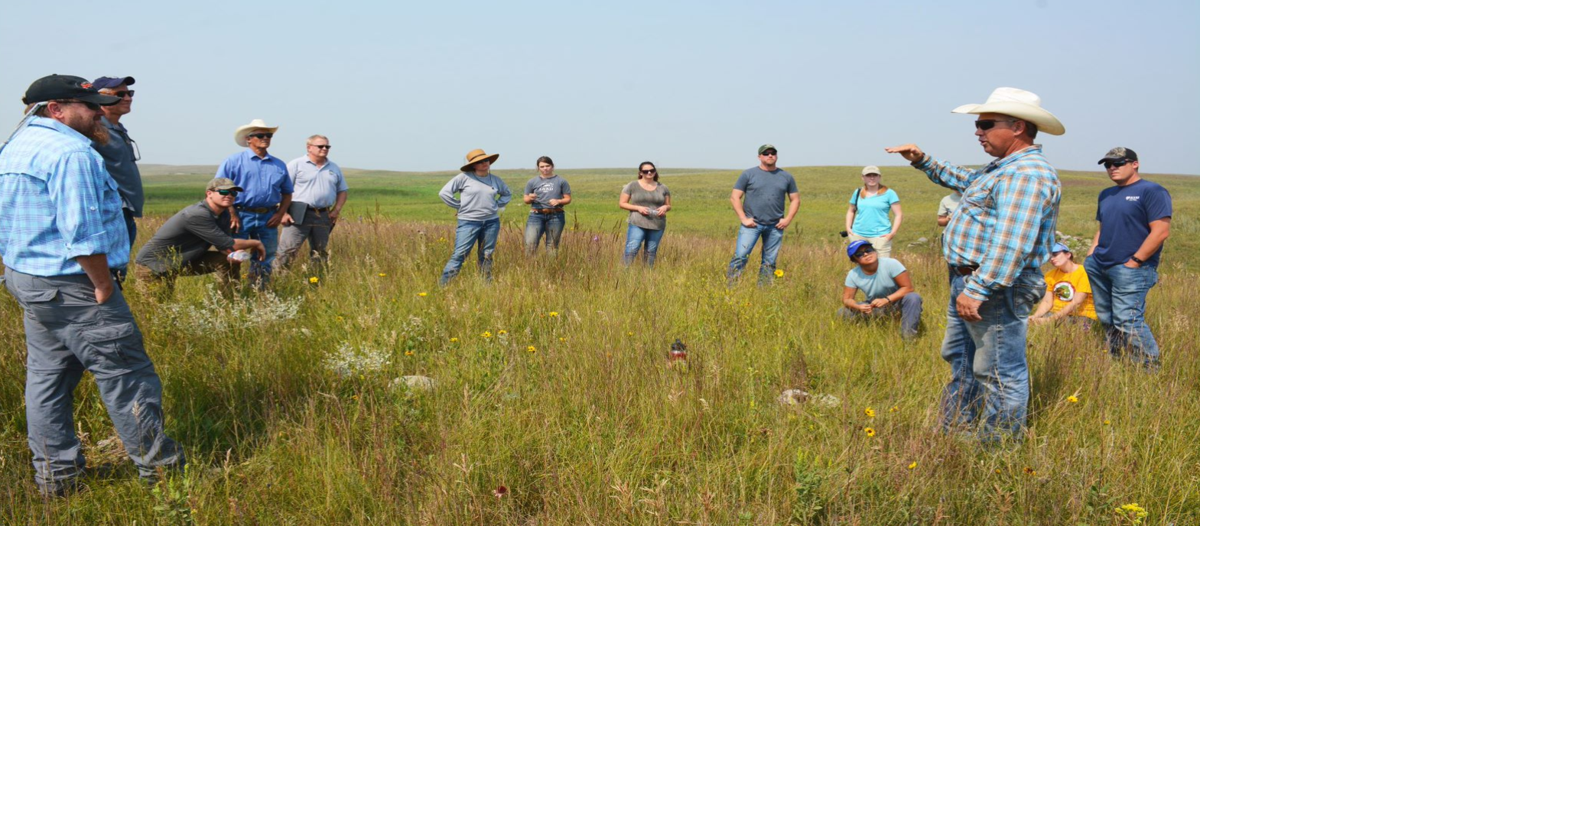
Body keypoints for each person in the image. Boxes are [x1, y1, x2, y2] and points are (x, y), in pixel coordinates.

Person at [0, 75, 184, 497]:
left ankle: (57, 480)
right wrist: (102, 285)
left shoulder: (15, 146)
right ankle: (163, 473)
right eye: (87, 104)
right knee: (127, 375)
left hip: (31, 279)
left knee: (47, 380)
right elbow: (81, 231)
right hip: (75, 284)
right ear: (55, 109)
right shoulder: (70, 152)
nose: (99, 111)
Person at [886, 87, 1064, 441]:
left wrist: (979, 288)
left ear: (1017, 127)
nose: (977, 131)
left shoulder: (1026, 174)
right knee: (962, 358)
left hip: (993, 285)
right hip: (973, 281)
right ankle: (956, 433)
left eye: (985, 123)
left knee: (998, 370)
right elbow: (968, 182)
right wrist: (923, 160)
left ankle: (997, 453)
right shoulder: (1004, 169)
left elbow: (1013, 241)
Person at [1086, 147, 1171, 368]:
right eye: (1108, 165)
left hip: (1131, 269)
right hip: (1099, 264)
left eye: (1118, 163)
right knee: (1106, 316)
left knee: (1128, 319)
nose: (1112, 168)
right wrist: (1091, 254)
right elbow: (1103, 227)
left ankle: (1148, 368)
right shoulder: (1106, 194)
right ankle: (1117, 360)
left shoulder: (1151, 191)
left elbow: (1160, 231)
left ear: (1135, 164)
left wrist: (1135, 261)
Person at [134, 178, 267, 296]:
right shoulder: (197, 214)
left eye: (233, 193)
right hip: (154, 265)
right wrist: (255, 243)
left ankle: (231, 301)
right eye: (224, 192)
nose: (229, 196)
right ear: (209, 193)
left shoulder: (224, 214)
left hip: (183, 260)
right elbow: (230, 244)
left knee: (228, 261)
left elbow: (225, 247)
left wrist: (234, 255)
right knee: (159, 307)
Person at [216, 119, 292, 289]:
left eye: (268, 135)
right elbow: (221, 188)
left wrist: (280, 214)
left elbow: (287, 192)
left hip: (268, 216)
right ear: (248, 139)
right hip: (240, 215)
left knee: (265, 255)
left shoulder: (279, 164)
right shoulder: (233, 161)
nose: (265, 138)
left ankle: (258, 291)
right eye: (260, 135)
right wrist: (231, 213)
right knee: (234, 255)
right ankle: (231, 292)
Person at [90, 75, 140, 285]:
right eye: (120, 94)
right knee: (111, 274)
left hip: (124, 211)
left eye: (130, 93)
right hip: (111, 211)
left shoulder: (115, 128)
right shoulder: (94, 128)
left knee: (119, 272)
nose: (128, 98)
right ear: (100, 98)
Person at [727, 144, 799, 286]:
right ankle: (731, 288)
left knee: (769, 261)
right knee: (741, 256)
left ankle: (763, 291)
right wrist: (743, 218)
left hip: (775, 226)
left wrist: (788, 219)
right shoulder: (748, 174)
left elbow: (795, 199)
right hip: (751, 225)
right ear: (759, 156)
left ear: (777, 156)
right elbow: (735, 197)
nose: (770, 155)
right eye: (766, 153)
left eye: (773, 153)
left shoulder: (786, 177)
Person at [277, 134, 348, 276]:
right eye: (320, 146)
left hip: (323, 214)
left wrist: (336, 210)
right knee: (288, 250)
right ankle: (278, 281)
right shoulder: (296, 164)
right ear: (309, 147)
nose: (324, 149)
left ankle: (316, 281)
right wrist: (283, 213)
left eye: (327, 146)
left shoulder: (333, 167)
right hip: (298, 213)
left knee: (320, 251)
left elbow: (342, 190)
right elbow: (281, 189)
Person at [438, 149, 512, 285]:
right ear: (473, 165)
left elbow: (507, 194)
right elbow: (444, 193)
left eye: (486, 160)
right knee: (460, 254)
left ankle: (486, 285)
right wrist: (459, 206)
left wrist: (496, 205)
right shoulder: (463, 177)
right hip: (469, 222)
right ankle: (444, 286)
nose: (484, 163)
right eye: (479, 162)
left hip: (491, 222)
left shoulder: (495, 180)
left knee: (487, 255)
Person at [838, 240, 923, 340]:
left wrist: (886, 300)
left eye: (869, 250)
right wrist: (858, 307)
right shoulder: (853, 274)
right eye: (859, 254)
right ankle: (859, 335)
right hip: (874, 305)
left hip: (897, 303)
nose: (866, 254)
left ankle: (908, 337)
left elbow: (908, 288)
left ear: (874, 251)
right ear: (855, 260)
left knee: (913, 297)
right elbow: (847, 299)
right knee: (842, 312)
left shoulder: (891, 264)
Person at [1028, 242, 1096, 330]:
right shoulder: (1050, 275)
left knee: (1054, 327)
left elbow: (1076, 302)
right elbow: (1047, 302)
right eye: (1049, 256)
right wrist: (1035, 317)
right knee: (1029, 324)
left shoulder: (1084, 272)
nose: (1052, 259)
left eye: (1055, 254)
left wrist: (1050, 320)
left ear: (1068, 255)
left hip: (1081, 315)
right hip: (1055, 313)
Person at [619, 161, 671, 266]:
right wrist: (638, 208)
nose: (649, 173)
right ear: (641, 173)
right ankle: (623, 273)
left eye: (652, 170)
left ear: (655, 172)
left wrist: (665, 207)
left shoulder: (663, 187)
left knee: (651, 252)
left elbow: (669, 205)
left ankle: (647, 276)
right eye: (646, 171)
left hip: (657, 224)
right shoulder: (632, 185)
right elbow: (622, 203)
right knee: (632, 248)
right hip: (637, 222)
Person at [845, 165, 901, 257]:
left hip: (880, 236)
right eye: (868, 175)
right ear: (863, 178)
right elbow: (851, 210)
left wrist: (892, 233)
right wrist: (848, 228)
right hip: (858, 235)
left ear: (879, 177)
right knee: (862, 266)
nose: (872, 178)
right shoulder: (858, 192)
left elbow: (898, 215)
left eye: (875, 175)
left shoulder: (889, 193)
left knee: (882, 265)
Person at [522, 156, 571, 256]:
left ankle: (551, 268)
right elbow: (526, 199)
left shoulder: (561, 181)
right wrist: (531, 197)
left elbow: (568, 199)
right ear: (538, 168)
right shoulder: (532, 182)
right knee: (530, 244)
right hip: (536, 215)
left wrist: (559, 201)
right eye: (542, 166)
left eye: (547, 166)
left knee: (552, 245)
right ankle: (530, 268)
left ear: (552, 166)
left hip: (556, 215)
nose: (545, 168)